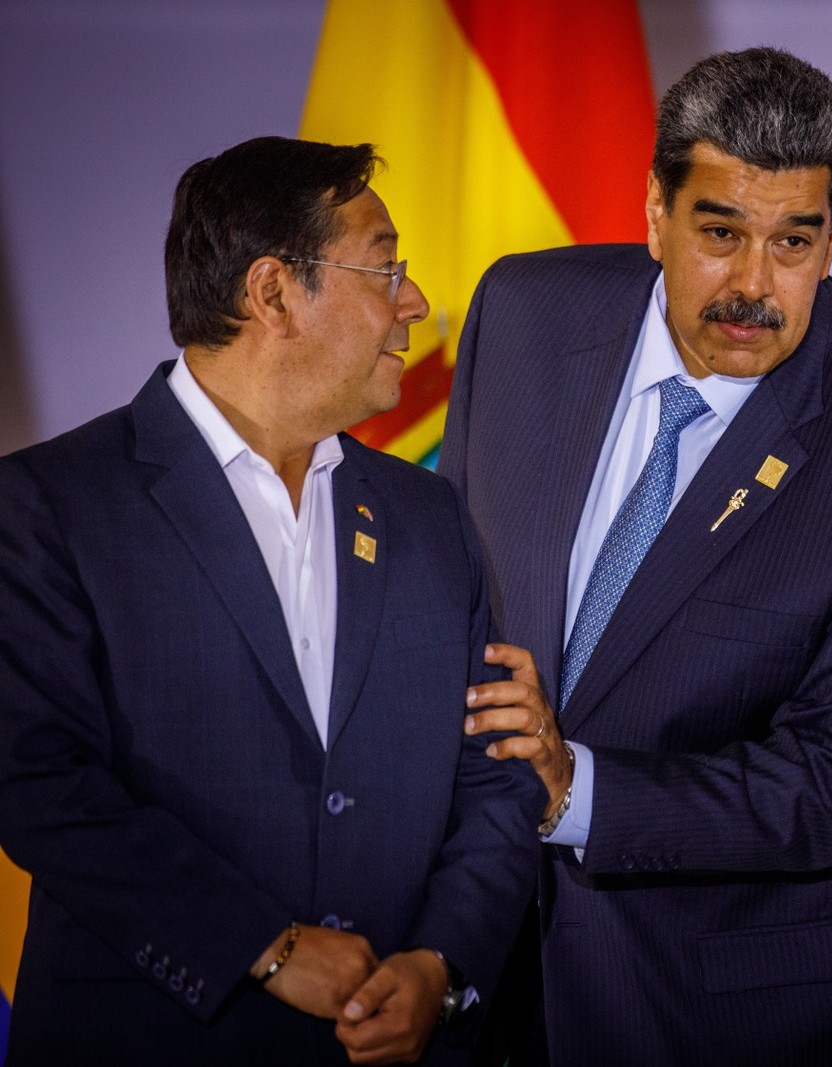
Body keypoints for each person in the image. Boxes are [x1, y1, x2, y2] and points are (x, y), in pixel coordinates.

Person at [440, 46, 832, 1065]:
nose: (754, 285)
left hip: (743, 1009)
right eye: (720, 233)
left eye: (794, 242)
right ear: (656, 211)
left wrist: (574, 789)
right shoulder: (521, 315)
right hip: (491, 976)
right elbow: (449, 599)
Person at [0, 136, 540, 1066]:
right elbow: (38, 784)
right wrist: (266, 947)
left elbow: (496, 776)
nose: (414, 301)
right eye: (385, 268)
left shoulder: (430, 515)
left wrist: (441, 966)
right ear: (274, 293)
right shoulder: (49, 505)